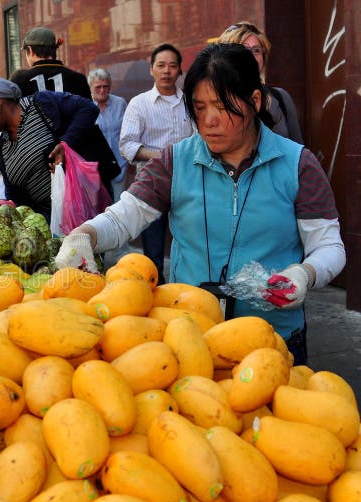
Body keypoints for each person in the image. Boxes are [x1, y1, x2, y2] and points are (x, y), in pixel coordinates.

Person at [56, 43, 345, 365]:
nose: (209, 121)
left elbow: (329, 245)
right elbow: (126, 216)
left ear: (255, 100)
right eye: (199, 107)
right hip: (190, 337)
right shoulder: (175, 160)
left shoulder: (297, 164)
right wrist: (84, 234)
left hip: (273, 340)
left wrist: (304, 273)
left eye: (222, 107)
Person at [0, 77, 104, 221]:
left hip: (86, 208)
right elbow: (17, 201)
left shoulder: (40, 104)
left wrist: (66, 144)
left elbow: (88, 108)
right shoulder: (3, 150)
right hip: (53, 225)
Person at [119, 43, 195, 284]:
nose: (167, 71)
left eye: (172, 66)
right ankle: (156, 296)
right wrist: (162, 156)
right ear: (151, 69)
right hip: (152, 183)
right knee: (153, 251)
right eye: (161, 65)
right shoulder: (139, 104)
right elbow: (127, 145)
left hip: (188, 182)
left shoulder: (190, 103)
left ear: (179, 70)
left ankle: (188, 291)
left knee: (190, 243)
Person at [218, 20, 303, 144]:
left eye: (256, 50)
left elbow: (299, 150)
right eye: (243, 50)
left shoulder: (281, 97)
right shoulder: (216, 98)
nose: (251, 56)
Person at [10, 26, 91, 99]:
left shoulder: (19, 79)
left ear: (30, 50)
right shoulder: (78, 79)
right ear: (55, 49)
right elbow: (90, 112)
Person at [90, 68, 128, 201]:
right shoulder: (85, 106)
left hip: (119, 163)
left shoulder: (120, 103)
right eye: (98, 87)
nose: (102, 90)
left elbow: (128, 131)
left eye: (106, 86)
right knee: (101, 207)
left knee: (119, 203)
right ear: (90, 87)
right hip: (96, 167)